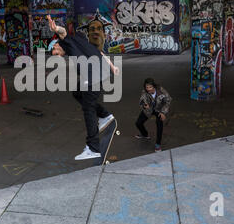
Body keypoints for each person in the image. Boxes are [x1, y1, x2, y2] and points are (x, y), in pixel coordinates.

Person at [47, 15, 118, 160]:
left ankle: (93, 148)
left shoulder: (65, 42)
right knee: (77, 92)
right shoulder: (78, 41)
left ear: (56, 45)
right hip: (98, 74)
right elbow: (99, 52)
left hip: (93, 76)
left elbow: (62, 32)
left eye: (56, 54)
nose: (58, 57)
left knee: (88, 108)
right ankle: (105, 115)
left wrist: (56, 29)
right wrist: (112, 67)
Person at [135, 78, 171, 152]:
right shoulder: (144, 92)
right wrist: (144, 105)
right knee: (138, 123)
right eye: (147, 87)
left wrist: (163, 112)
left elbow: (168, 100)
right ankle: (145, 134)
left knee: (159, 125)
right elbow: (141, 101)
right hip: (149, 109)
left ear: (154, 86)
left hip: (159, 110)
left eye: (150, 87)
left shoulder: (161, 90)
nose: (148, 89)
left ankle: (158, 144)